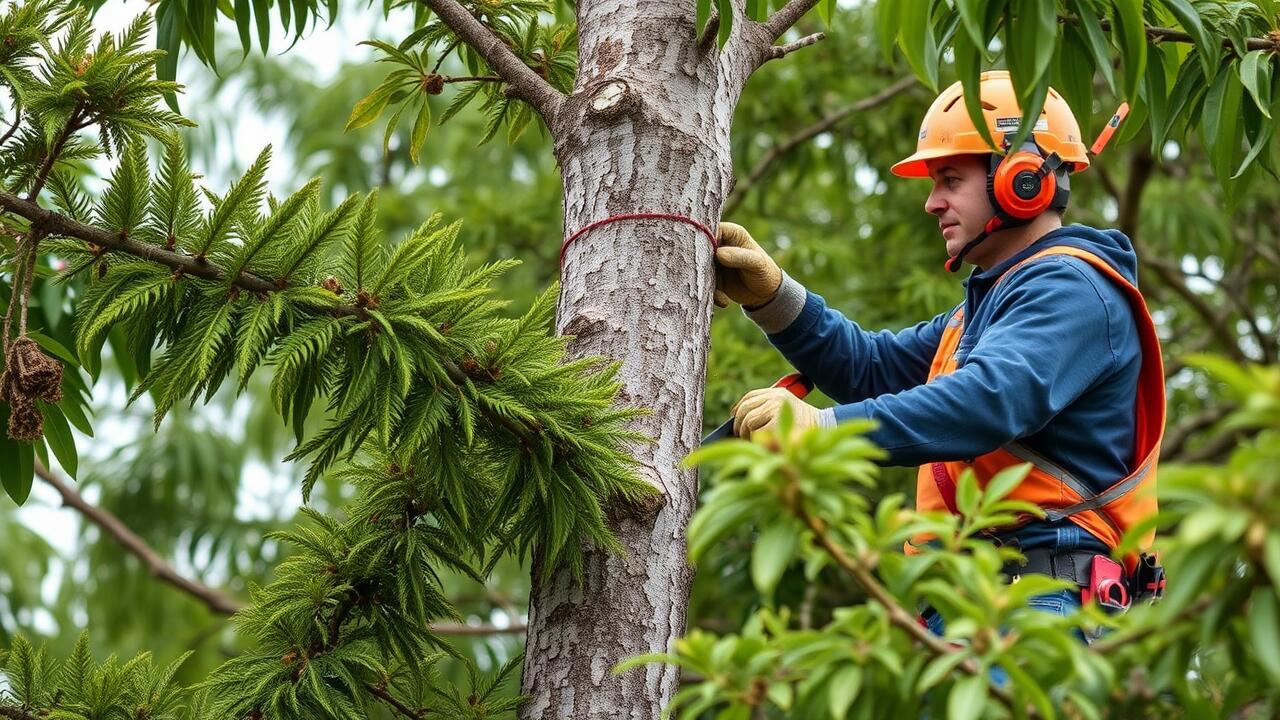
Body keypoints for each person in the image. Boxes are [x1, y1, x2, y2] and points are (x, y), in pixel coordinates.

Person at [714, 71, 1166, 626]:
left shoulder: (1071, 290)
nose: (932, 203)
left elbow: (990, 400)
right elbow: (875, 369)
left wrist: (823, 429)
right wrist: (776, 298)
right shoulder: (985, 309)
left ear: (1024, 179)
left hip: (1039, 604)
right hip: (977, 601)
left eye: (950, 179)